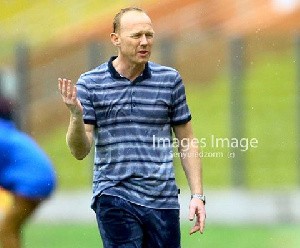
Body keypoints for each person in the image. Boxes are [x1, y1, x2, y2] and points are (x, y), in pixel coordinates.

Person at [58, 7, 206, 247]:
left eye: (149, 35)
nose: (145, 42)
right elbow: (79, 151)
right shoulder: (90, 83)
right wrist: (76, 116)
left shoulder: (170, 80)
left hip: (163, 200)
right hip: (114, 195)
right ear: (115, 40)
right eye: (136, 36)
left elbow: (187, 140)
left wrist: (198, 195)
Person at [0, 97, 56, 248]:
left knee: (7, 229)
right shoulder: (8, 131)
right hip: (42, 181)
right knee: (11, 227)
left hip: (32, 183)